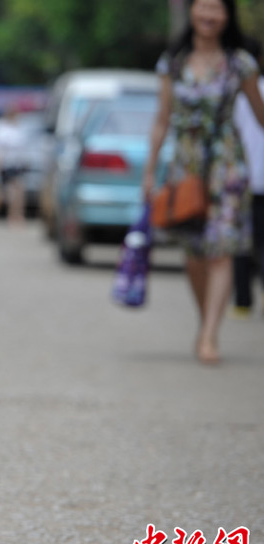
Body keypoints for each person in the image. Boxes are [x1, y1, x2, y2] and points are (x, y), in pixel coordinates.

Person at [143, 0, 264, 365]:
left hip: (227, 165)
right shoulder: (173, 63)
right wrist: (150, 172)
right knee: (195, 252)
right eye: (203, 6)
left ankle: (210, 334)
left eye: (217, 8)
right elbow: (162, 119)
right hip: (187, 165)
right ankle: (204, 321)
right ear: (192, 12)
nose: (209, 15)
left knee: (222, 249)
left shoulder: (240, 63)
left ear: (228, 16)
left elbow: (260, 115)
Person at [232, 37, 264, 318]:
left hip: (241, 180)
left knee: (242, 245)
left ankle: (242, 302)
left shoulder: (235, 96)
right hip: (247, 180)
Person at [0, 104, 28, 224]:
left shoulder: (19, 127)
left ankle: (15, 216)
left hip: (15, 164)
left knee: (17, 192)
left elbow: (23, 148)